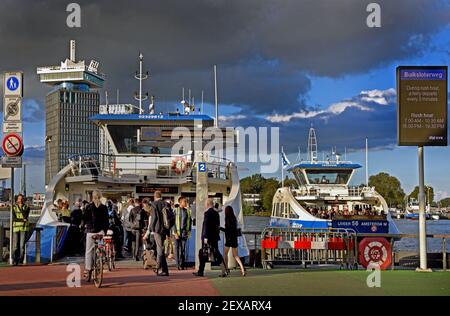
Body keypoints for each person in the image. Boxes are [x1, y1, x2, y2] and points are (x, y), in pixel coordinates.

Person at [193, 198, 227, 277]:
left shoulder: (207, 213)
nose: (205, 205)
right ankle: (223, 270)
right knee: (216, 253)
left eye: (205, 204)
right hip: (214, 237)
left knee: (202, 253)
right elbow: (218, 226)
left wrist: (205, 237)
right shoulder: (216, 213)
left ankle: (201, 271)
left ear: (207, 204)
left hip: (208, 238)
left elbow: (206, 226)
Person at [82, 190, 110, 279]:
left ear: (92, 197)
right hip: (100, 232)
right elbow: (106, 221)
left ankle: (88, 269)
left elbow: (84, 219)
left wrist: (82, 227)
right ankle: (101, 257)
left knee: (89, 251)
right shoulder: (104, 207)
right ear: (100, 197)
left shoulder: (88, 207)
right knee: (101, 245)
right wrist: (104, 231)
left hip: (90, 231)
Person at [221, 205, 246, 276]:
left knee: (225, 254)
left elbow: (227, 230)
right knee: (235, 256)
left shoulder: (227, 219)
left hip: (229, 239)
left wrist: (220, 228)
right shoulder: (234, 219)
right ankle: (242, 269)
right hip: (234, 239)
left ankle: (226, 269)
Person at [150, 190, 170, 276]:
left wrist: (151, 228)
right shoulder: (166, 204)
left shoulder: (154, 204)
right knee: (161, 248)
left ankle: (157, 267)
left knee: (159, 249)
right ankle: (164, 269)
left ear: (154, 196)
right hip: (165, 229)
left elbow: (154, 218)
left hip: (157, 229)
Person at [172, 196, 192, 270]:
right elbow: (173, 222)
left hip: (184, 233)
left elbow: (189, 222)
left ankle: (182, 264)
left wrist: (189, 232)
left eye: (186, 201)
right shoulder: (175, 211)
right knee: (177, 249)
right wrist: (175, 232)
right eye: (185, 201)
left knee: (183, 249)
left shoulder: (187, 211)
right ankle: (177, 265)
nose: (186, 202)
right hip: (176, 233)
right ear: (180, 202)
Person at [12, 194, 30, 265]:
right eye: (19, 199)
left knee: (22, 246)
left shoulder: (27, 207)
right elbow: (14, 218)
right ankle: (14, 260)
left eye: (22, 199)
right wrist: (22, 219)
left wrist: (21, 208)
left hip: (24, 228)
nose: (20, 200)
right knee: (15, 246)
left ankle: (20, 261)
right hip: (16, 228)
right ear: (17, 199)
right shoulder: (14, 207)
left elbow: (26, 216)